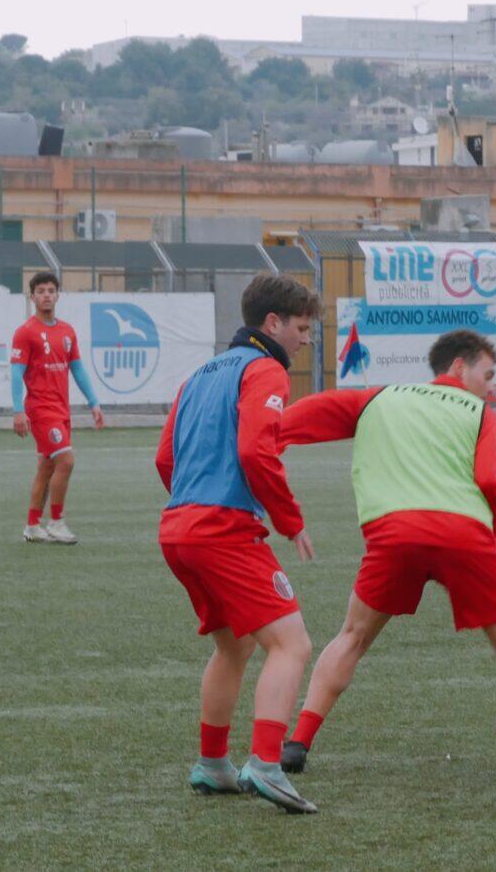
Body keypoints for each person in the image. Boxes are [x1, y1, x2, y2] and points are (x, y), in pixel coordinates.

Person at [275, 329, 496, 776]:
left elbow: (293, 421)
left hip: (394, 534)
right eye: (487, 374)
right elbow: (489, 482)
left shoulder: (378, 397)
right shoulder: (480, 413)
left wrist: (262, 435)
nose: (490, 385)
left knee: (353, 637)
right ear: (458, 368)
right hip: (465, 535)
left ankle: (298, 743)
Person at [155, 273, 321, 815]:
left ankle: (212, 765)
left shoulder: (199, 374)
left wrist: (192, 500)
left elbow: (164, 459)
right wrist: (291, 520)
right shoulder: (265, 369)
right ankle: (267, 765)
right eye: (301, 328)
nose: (305, 340)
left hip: (177, 527)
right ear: (272, 324)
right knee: (291, 644)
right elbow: (256, 452)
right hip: (221, 529)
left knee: (235, 645)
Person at [10, 273, 104, 543]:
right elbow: (17, 374)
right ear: (33, 296)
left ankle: (32, 526)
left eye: (51, 290)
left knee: (47, 467)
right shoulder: (25, 332)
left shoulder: (66, 331)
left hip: (62, 410)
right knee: (66, 460)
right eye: (41, 291)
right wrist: (18, 411)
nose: (46, 295)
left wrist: (94, 403)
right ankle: (57, 522)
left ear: (58, 294)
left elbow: (78, 369)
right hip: (40, 410)